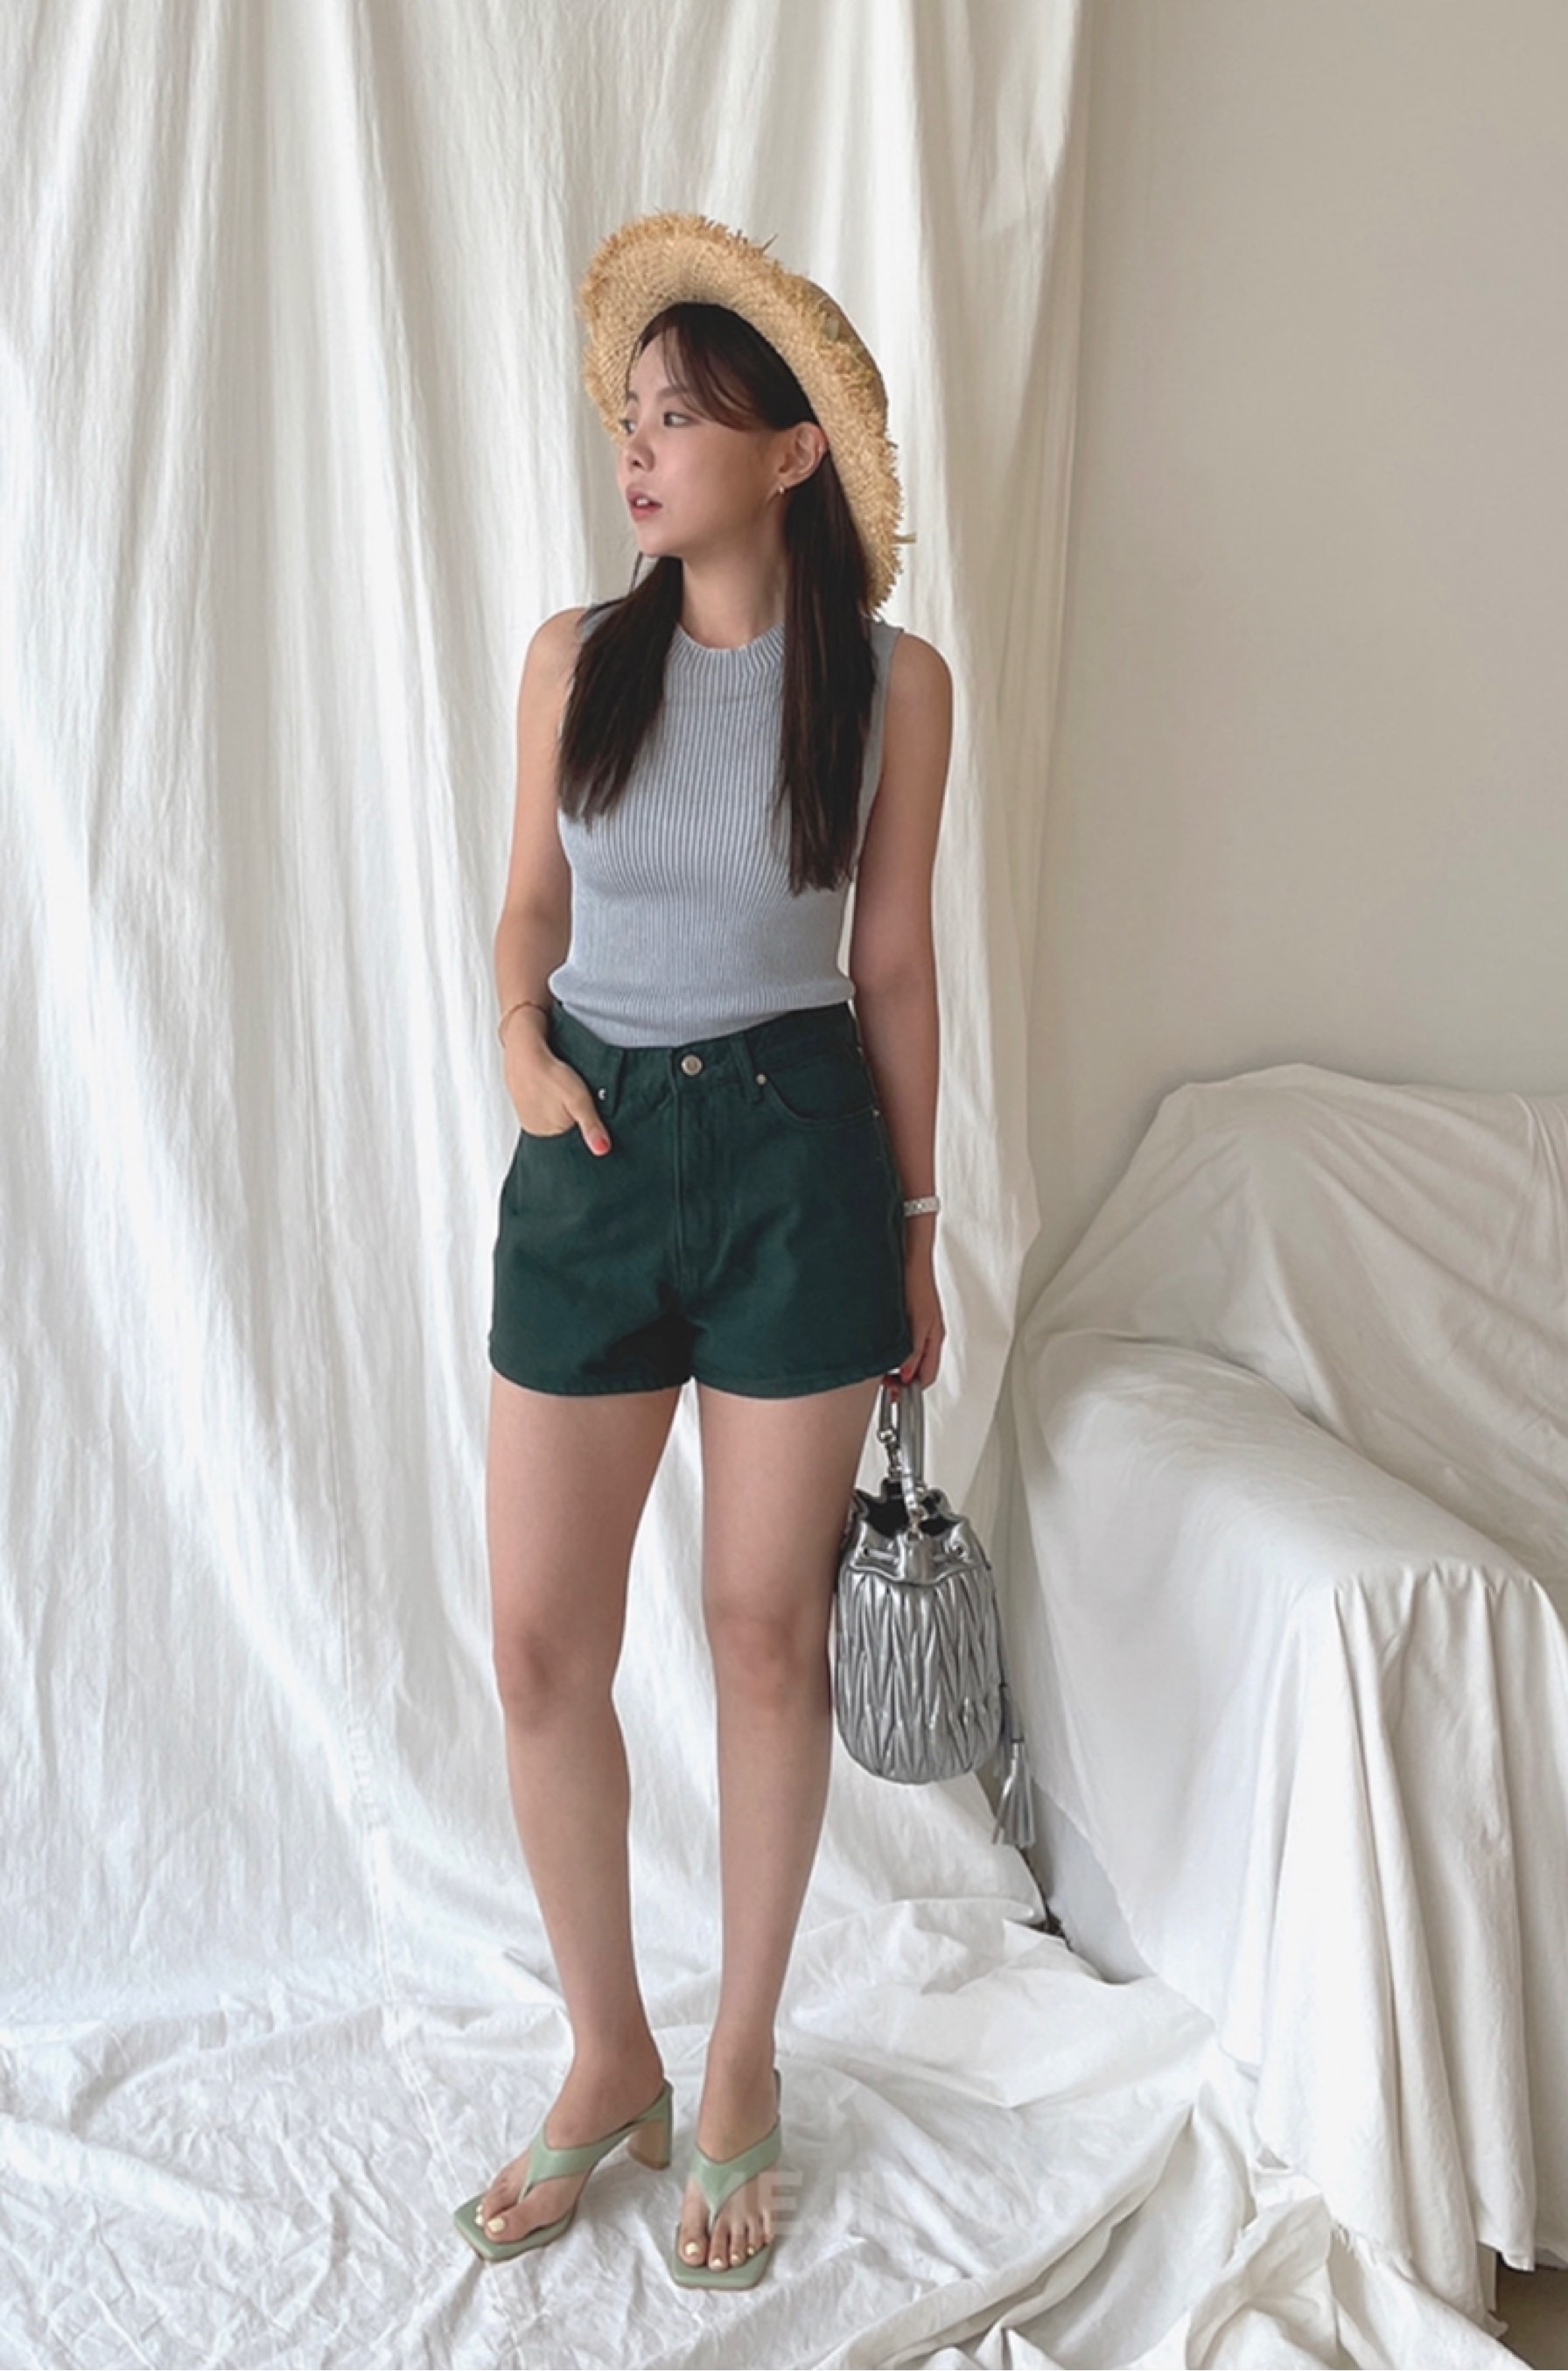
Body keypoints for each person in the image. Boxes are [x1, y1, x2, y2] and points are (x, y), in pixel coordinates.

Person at [452, 214, 953, 2290]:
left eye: (681, 418)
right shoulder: (577, 655)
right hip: (590, 1154)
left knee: (763, 1630)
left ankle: (739, 2053)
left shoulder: (893, 685)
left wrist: (918, 1231)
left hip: (801, 1158)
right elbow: (528, 908)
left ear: (791, 452)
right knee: (537, 1645)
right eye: (633, 417)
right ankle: (609, 2050)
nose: (637, 449)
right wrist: (517, 1041)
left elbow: (892, 963)